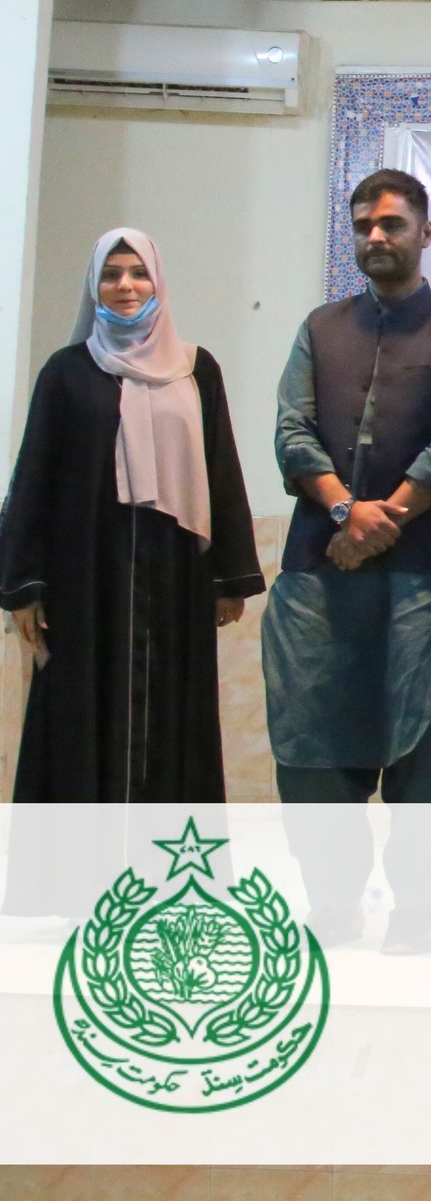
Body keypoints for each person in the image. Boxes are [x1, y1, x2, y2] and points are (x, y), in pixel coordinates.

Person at [262, 169, 431, 953]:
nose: (377, 236)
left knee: (426, 751)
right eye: (364, 225)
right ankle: (332, 902)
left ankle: (416, 910)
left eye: (392, 223)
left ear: (427, 232)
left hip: (424, 577)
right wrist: (342, 511)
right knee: (313, 748)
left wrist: (381, 519)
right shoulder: (320, 327)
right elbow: (291, 431)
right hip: (318, 577)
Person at [0, 228, 263, 802]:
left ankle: (162, 855)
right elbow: (33, 479)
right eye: (111, 274)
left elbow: (220, 467)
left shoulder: (197, 370)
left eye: (139, 273)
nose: (126, 285)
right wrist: (23, 586)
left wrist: (229, 577)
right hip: (85, 580)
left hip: (175, 579)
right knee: (79, 712)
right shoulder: (67, 372)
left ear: (158, 282)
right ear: (93, 286)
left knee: (172, 713)